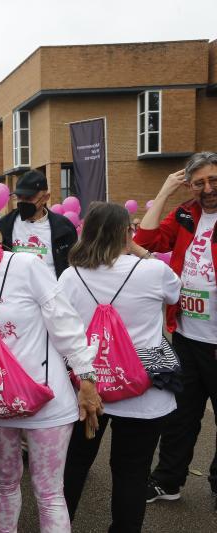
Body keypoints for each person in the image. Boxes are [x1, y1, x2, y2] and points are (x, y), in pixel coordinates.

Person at [0, 198, 101, 533]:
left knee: (49, 491)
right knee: (6, 483)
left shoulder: (25, 266)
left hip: (49, 402)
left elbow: (65, 323)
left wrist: (86, 377)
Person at [61, 202, 181, 533]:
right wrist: (141, 250)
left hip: (89, 386)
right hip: (144, 389)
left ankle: (58, 525)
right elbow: (175, 293)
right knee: (132, 471)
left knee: (75, 463)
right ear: (126, 234)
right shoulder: (153, 271)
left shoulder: (71, 275)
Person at [134, 152, 217, 506]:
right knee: (181, 416)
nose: (208, 189)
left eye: (214, 180)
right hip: (186, 335)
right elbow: (147, 240)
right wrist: (166, 190)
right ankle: (168, 481)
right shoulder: (185, 214)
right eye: (199, 183)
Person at [0, 169, 78, 279]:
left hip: (52, 292)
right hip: (16, 292)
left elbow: (73, 265)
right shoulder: (4, 226)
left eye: (29, 198)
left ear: (46, 198)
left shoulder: (64, 228)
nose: (23, 202)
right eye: (19, 197)